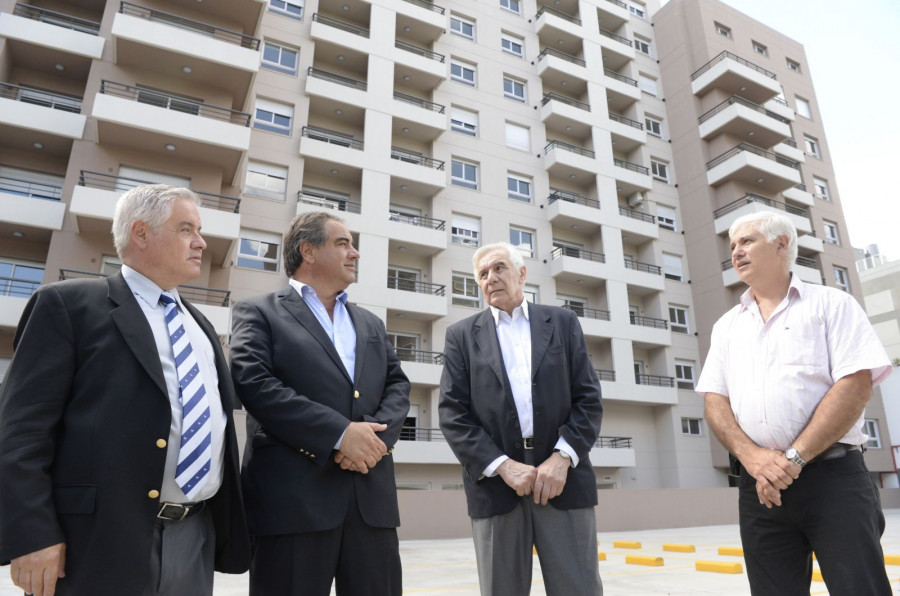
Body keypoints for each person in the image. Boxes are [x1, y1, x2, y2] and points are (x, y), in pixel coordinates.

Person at [0, 184, 250, 596]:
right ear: (141, 232)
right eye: (186, 228)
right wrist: (33, 534)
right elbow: (22, 431)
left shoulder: (202, 327)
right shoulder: (67, 306)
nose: (201, 242)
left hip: (195, 537)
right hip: (97, 542)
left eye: (200, 230)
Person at [697, 211, 893, 595]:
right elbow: (715, 402)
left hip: (833, 480)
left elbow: (855, 387)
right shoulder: (726, 327)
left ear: (782, 244)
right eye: (733, 245)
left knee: (860, 588)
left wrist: (792, 459)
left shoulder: (833, 305)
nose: (736, 252)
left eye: (747, 241)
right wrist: (753, 460)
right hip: (760, 489)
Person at [230, 211, 410, 596]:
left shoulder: (370, 323)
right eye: (343, 243)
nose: (355, 253)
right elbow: (254, 382)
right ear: (307, 251)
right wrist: (339, 435)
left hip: (370, 505)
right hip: (293, 506)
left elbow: (397, 384)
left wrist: (373, 443)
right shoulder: (258, 311)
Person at [439, 241, 604, 596]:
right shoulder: (461, 336)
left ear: (522, 273)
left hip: (564, 481)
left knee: (580, 589)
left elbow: (588, 399)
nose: (491, 278)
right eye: (483, 274)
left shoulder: (562, 322)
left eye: (499, 268)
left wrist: (562, 458)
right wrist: (502, 465)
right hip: (496, 486)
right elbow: (453, 414)